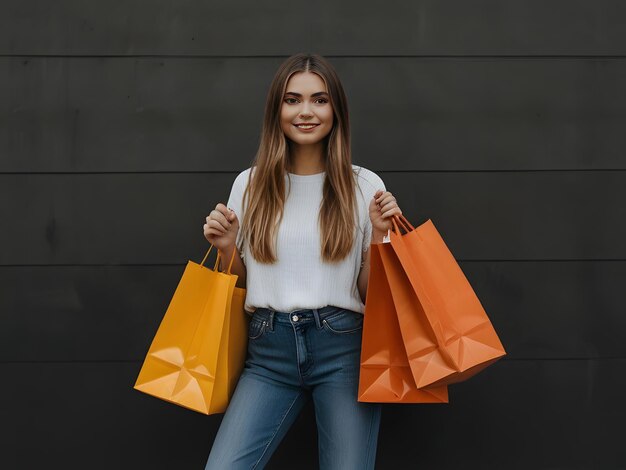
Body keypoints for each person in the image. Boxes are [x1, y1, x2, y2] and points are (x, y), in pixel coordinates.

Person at [202, 53, 402, 470]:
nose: (306, 111)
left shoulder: (365, 185)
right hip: (268, 351)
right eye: (293, 100)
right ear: (277, 109)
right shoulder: (250, 183)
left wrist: (381, 236)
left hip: (342, 348)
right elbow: (241, 286)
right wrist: (226, 247)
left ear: (336, 110)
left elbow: (371, 293)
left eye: (319, 100)